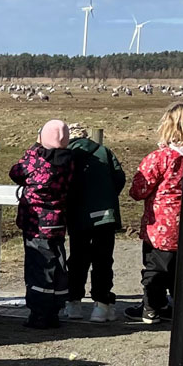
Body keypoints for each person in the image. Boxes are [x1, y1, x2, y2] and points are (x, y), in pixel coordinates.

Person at [10, 120, 76, 330]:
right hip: (58, 222)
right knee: (57, 265)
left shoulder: (36, 160)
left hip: (36, 224)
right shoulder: (70, 162)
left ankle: (39, 313)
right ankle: (55, 309)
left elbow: (16, 173)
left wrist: (33, 148)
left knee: (38, 268)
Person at [130, 103, 183, 324]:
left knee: (155, 267)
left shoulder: (161, 158)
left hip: (161, 224)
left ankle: (151, 307)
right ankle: (178, 307)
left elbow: (138, 190)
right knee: (179, 268)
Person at [65, 122, 127, 322]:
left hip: (77, 215)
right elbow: (119, 178)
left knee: (77, 258)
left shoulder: (66, 155)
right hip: (105, 215)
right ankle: (101, 305)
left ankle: (73, 303)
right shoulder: (104, 151)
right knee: (103, 259)